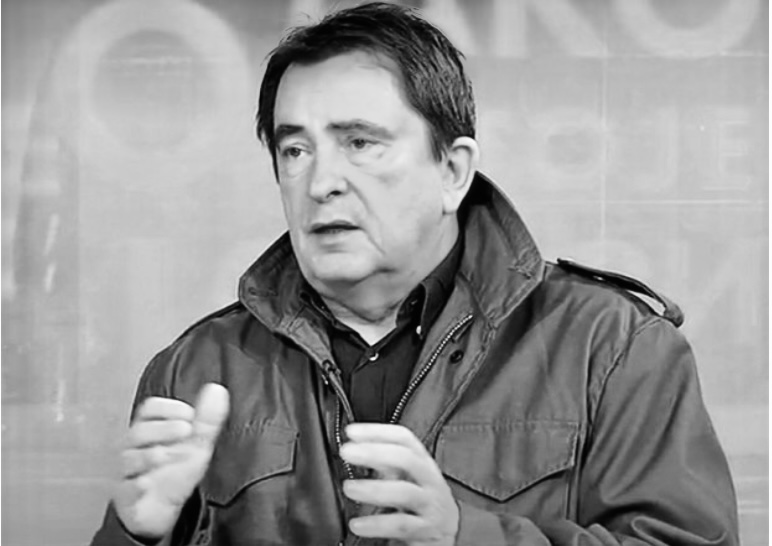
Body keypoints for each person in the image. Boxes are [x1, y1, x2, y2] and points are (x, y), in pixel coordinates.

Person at [91, 3, 738, 545]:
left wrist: (465, 537)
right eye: (295, 149)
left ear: (452, 171)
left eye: (359, 143)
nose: (321, 181)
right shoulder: (196, 370)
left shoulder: (611, 346)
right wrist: (136, 535)